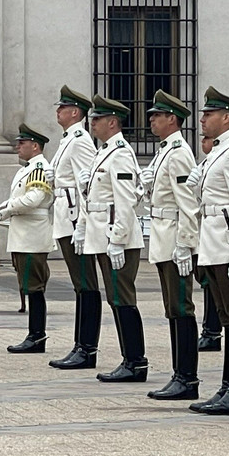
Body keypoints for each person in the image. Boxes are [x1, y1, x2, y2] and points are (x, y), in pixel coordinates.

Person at [188, 87, 229, 415]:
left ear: (226, 118)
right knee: (228, 319)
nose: (202, 119)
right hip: (213, 243)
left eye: (208, 114)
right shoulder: (217, 151)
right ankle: (228, 386)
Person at [73, 95, 148, 382]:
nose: (92, 123)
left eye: (97, 119)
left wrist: (117, 238)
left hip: (117, 241)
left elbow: (126, 201)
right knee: (116, 299)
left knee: (123, 299)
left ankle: (135, 362)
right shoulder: (102, 151)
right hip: (102, 236)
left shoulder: (121, 154)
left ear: (112, 122)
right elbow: (93, 197)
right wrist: (82, 227)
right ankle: (130, 360)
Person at [140, 90, 201, 400]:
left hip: (174, 236)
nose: (151, 119)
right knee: (172, 309)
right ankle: (180, 374)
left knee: (181, 308)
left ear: (172, 119)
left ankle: (187, 377)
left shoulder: (178, 153)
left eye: (157, 115)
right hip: (164, 234)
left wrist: (186, 244)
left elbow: (188, 204)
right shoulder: (166, 150)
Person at [0, 124, 55, 353]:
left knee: (34, 287)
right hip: (23, 234)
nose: (17, 147)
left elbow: (32, 200)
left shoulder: (39, 167)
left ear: (35, 146)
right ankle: (34, 335)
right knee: (28, 286)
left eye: (22, 143)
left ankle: (37, 336)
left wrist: (5, 210)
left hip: (33, 235)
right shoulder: (26, 169)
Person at [46, 86, 103, 370]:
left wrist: (82, 224)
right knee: (80, 285)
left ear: (75, 112)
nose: (57, 111)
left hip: (74, 217)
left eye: (62, 107)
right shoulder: (68, 138)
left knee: (86, 284)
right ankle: (80, 345)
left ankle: (87, 348)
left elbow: (86, 186)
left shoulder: (79, 140)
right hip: (65, 216)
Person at [191, 136, 222, 353]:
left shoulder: (225, 159)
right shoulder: (206, 163)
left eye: (209, 139)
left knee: (214, 286)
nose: (203, 142)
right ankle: (210, 330)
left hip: (217, 235)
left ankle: (212, 332)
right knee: (206, 282)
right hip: (204, 232)